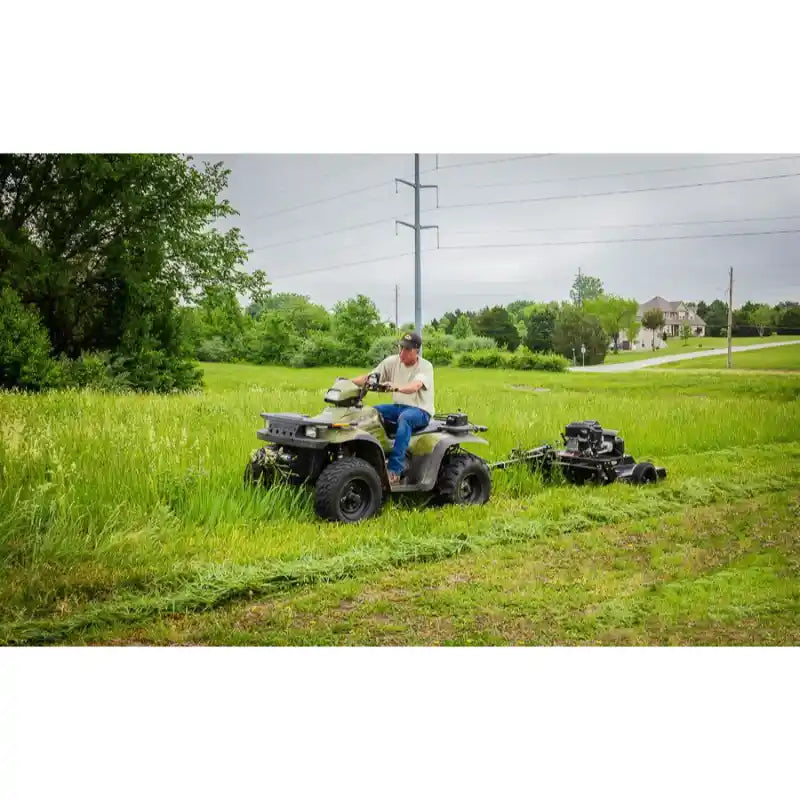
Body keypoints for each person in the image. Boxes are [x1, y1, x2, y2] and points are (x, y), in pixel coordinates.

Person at [351, 331, 435, 485]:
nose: (402, 353)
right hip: (398, 407)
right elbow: (369, 377)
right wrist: (347, 382)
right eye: (401, 347)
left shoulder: (425, 366)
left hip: (420, 411)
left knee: (405, 419)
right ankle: (369, 457)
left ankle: (394, 470)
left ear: (416, 351)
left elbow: (415, 386)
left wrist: (396, 387)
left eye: (407, 350)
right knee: (370, 412)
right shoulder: (392, 362)